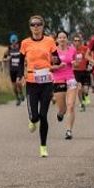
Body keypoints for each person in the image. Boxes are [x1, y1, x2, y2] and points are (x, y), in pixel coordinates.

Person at [21, 16, 59, 157]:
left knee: (43, 115)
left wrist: (55, 59)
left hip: (46, 83)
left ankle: (43, 146)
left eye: (39, 24)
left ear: (43, 26)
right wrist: (21, 76)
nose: (36, 27)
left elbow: (57, 58)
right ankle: (32, 120)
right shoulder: (25, 43)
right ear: (30, 27)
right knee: (35, 116)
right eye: (33, 24)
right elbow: (20, 62)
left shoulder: (49, 41)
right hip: (31, 83)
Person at [51, 30, 79, 140]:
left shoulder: (72, 50)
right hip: (58, 79)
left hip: (71, 79)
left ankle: (69, 131)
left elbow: (75, 62)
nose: (62, 39)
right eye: (60, 37)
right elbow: (49, 67)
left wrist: (75, 63)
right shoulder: (53, 52)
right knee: (63, 108)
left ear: (67, 39)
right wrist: (57, 67)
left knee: (71, 106)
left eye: (64, 37)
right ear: (57, 40)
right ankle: (60, 113)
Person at [3, 34, 25, 105]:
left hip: (19, 68)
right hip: (12, 69)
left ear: (17, 41)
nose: (14, 43)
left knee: (18, 82)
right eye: (12, 41)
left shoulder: (20, 48)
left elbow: (25, 56)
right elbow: (3, 58)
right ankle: (17, 98)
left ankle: (21, 92)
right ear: (10, 41)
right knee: (14, 85)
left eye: (15, 41)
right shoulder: (8, 49)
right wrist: (7, 59)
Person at [71, 32, 92, 110]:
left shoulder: (85, 48)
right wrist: (73, 63)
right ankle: (81, 103)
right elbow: (69, 60)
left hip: (85, 71)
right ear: (73, 42)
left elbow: (90, 56)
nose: (77, 42)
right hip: (76, 72)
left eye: (78, 40)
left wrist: (90, 65)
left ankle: (85, 95)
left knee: (85, 90)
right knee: (79, 88)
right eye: (75, 41)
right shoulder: (71, 50)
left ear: (81, 41)